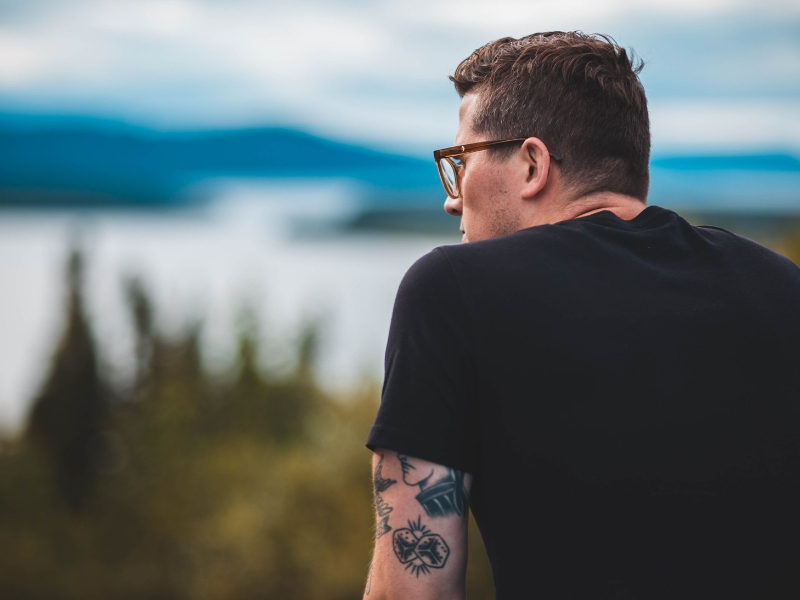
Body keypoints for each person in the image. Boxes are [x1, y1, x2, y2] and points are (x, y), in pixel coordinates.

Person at [363, 32, 800, 600]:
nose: (452, 198)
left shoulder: (452, 289)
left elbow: (413, 591)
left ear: (531, 164)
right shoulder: (783, 286)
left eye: (460, 162)